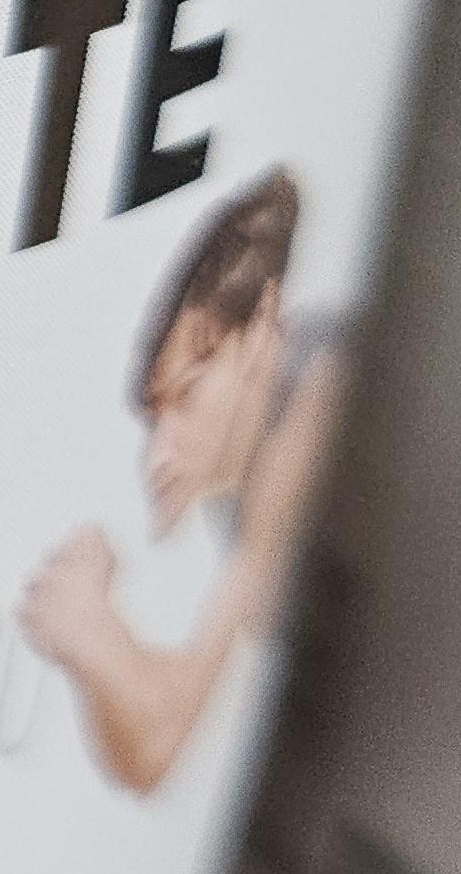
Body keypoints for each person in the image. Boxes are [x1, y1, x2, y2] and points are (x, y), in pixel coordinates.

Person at [21, 169, 344, 795]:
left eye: (188, 396)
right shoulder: (246, 479)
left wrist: (94, 630)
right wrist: (98, 640)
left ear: (262, 326)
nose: (159, 457)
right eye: (156, 418)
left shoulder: (317, 395)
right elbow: (152, 751)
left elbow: (161, 745)